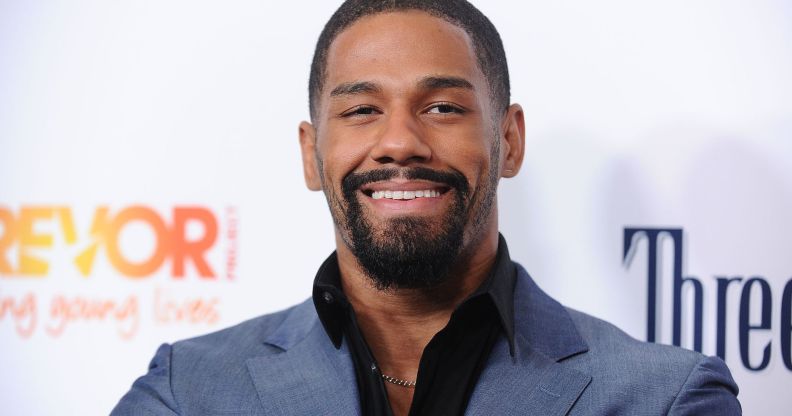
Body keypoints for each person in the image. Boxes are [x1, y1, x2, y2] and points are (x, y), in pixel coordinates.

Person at [112, 1, 741, 415]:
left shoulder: (663, 399)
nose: (399, 143)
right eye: (361, 110)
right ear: (311, 154)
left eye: (442, 107)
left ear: (509, 140)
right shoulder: (185, 392)